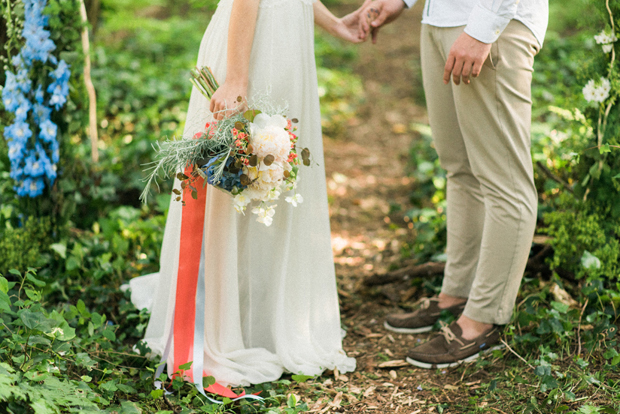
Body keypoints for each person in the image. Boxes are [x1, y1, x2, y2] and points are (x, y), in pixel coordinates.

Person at [131, 0, 363, 388]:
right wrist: (236, 76)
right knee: (238, 177)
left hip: (283, 41)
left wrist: (334, 23)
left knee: (269, 176)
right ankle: (223, 320)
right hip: (254, 47)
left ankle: (265, 319)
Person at [358, 0, 548, 368]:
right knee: (460, 170)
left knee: (504, 180)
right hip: (441, 19)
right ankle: (457, 295)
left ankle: (483, 321)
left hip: (494, 24)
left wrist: (484, 26)